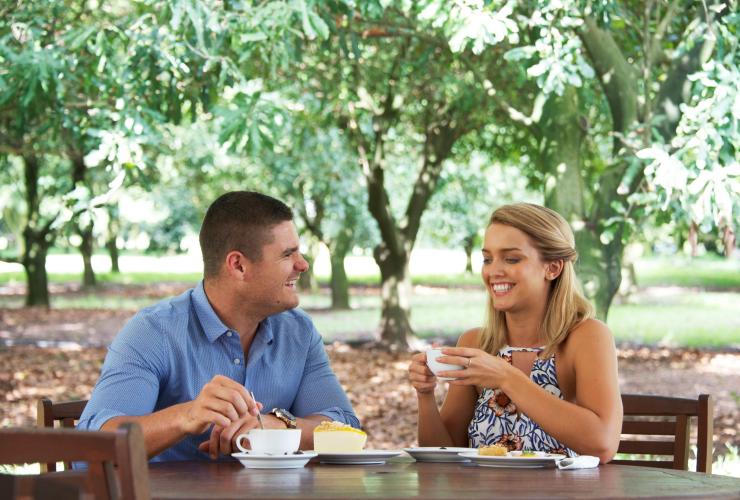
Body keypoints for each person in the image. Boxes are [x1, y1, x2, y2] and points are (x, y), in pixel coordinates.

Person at [78, 191, 360, 461]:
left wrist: (281, 426)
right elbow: (93, 446)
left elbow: (346, 429)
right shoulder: (154, 332)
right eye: (288, 254)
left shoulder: (298, 332)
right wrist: (187, 416)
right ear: (238, 265)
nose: (303, 265)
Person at [408, 203, 622, 463]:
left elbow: (603, 444)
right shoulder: (476, 343)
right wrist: (425, 395)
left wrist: (507, 378)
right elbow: (441, 456)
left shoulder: (587, 337)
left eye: (511, 259)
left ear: (553, 268)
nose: (493, 271)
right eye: (488, 259)